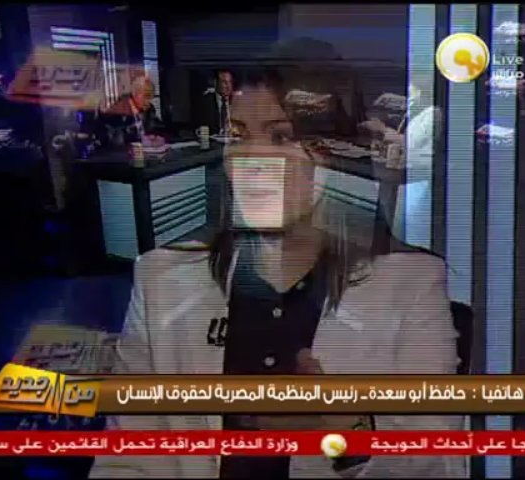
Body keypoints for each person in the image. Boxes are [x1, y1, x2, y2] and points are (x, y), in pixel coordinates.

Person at [90, 38, 465, 479]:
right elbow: (125, 460)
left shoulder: (412, 285)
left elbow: (440, 465)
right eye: (238, 135)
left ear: (336, 154)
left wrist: (351, 433)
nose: (252, 159)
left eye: (282, 136)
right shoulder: (160, 280)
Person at [96, 72, 165, 149]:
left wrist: (157, 136)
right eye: (146, 95)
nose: (149, 99)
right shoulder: (115, 110)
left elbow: (155, 127)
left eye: (151, 96)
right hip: (122, 152)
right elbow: (115, 138)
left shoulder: (149, 108)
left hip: (147, 150)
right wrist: (142, 140)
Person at [199, 69, 235, 134]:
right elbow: (202, 127)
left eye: (230, 82)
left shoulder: (238, 101)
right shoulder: (205, 102)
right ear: (216, 83)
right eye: (224, 82)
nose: (228, 86)